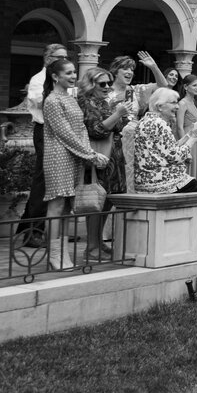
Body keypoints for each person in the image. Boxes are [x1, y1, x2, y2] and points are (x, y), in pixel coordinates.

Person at [42, 58, 109, 270]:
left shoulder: (70, 98)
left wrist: (88, 153)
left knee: (68, 207)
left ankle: (63, 252)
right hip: (57, 154)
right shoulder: (52, 100)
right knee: (56, 204)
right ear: (55, 76)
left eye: (73, 73)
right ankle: (54, 254)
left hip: (75, 156)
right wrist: (90, 155)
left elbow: (80, 130)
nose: (73, 76)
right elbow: (64, 133)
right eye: (68, 73)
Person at [134, 88, 197, 257]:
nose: (177, 106)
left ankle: (192, 239)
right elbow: (174, 156)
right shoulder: (159, 124)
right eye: (173, 103)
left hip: (149, 177)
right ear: (159, 106)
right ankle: (194, 241)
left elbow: (167, 150)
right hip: (159, 180)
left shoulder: (147, 121)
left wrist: (191, 134)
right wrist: (194, 138)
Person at [18, 43, 70, 246]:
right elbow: (44, 105)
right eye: (59, 57)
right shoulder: (38, 80)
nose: (64, 60)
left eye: (66, 57)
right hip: (45, 131)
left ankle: (55, 229)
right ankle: (33, 230)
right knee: (44, 180)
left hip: (64, 131)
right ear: (48, 59)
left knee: (60, 181)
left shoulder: (67, 80)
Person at [77, 67, 128, 260]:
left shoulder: (104, 102)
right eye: (102, 84)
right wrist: (117, 114)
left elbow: (119, 127)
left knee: (107, 201)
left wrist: (118, 113)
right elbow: (96, 130)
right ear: (91, 85)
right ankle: (91, 247)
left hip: (112, 157)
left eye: (109, 83)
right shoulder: (86, 103)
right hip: (98, 158)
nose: (107, 87)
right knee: (95, 202)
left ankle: (98, 242)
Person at [175, 74, 197, 186]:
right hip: (188, 142)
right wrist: (186, 149)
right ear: (185, 87)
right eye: (194, 85)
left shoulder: (192, 103)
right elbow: (179, 127)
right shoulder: (182, 103)